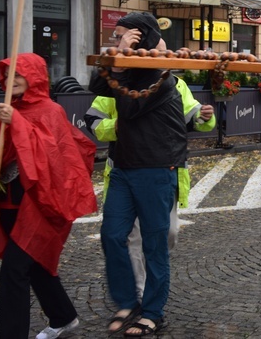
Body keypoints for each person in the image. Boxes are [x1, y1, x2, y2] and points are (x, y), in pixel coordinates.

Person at [0, 53, 97, 339]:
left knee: (14, 271)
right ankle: (63, 316)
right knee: (37, 264)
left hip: (40, 205)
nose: (10, 80)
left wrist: (17, 122)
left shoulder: (49, 111)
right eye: (7, 74)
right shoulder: (10, 110)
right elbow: (2, 156)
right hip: (10, 202)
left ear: (35, 76)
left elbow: (50, 158)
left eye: (18, 74)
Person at [85, 50, 215, 303]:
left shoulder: (175, 83)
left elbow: (191, 117)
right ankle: (139, 294)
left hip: (163, 172)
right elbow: (93, 119)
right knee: (131, 237)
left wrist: (203, 117)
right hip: (124, 169)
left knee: (168, 234)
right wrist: (116, 127)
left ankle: (152, 281)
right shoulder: (118, 83)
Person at [88, 12, 187, 336]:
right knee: (112, 235)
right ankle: (128, 301)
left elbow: (129, 108)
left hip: (156, 169)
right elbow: (96, 84)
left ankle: (153, 311)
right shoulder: (126, 66)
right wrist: (118, 62)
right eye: (115, 37)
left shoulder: (161, 74)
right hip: (123, 168)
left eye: (121, 36)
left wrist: (119, 67)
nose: (115, 42)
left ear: (140, 36)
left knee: (154, 245)